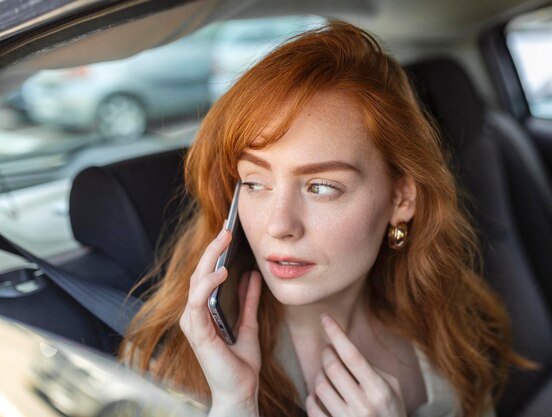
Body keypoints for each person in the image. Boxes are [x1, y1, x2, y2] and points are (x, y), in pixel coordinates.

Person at [120, 20, 528, 417]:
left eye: (321, 187)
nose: (279, 225)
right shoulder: (168, 363)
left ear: (401, 199)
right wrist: (234, 406)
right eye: (255, 182)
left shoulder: (448, 323)